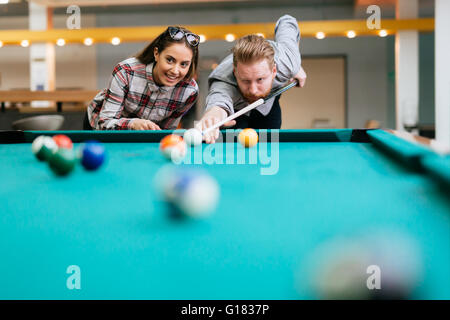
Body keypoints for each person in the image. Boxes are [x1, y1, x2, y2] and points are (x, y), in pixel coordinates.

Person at [198, 14, 307, 143]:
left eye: (260, 79)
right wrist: (214, 114)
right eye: (245, 80)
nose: (253, 90)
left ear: (274, 71)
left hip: (268, 106)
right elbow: (218, 101)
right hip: (235, 112)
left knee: (269, 151)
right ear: (235, 72)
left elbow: (287, 20)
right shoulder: (223, 80)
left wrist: (295, 66)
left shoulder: (288, 62)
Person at [84, 26, 200, 130]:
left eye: (184, 64)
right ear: (156, 53)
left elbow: (165, 131)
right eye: (169, 60)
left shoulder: (189, 91)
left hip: (142, 132)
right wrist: (133, 124)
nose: (175, 71)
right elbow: (105, 123)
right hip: (99, 125)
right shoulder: (126, 71)